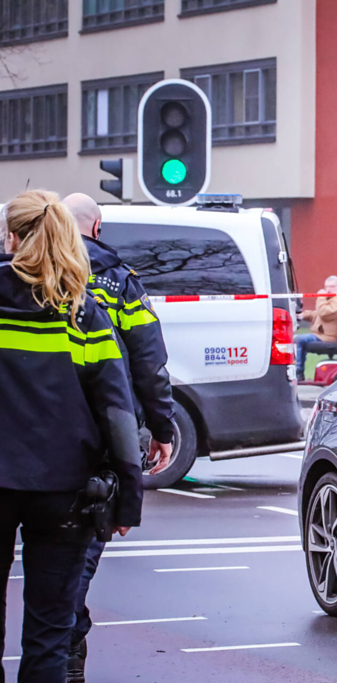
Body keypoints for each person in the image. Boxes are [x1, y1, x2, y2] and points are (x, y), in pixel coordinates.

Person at [0, 190, 143, 683]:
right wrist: (128, 498)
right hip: (65, 490)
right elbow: (116, 408)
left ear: (11, 238)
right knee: (49, 634)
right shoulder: (80, 312)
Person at [62, 193, 174, 683]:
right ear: (98, 228)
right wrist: (162, 426)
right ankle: (66, 656)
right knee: (77, 556)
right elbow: (149, 359)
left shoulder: (30, 274)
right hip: (104, 434)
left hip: (37, 432)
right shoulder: (120, 280)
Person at [295, 276, 337, 380]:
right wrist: (304, 315)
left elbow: (323, 313)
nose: (328, 289)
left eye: (331, 286)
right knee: (298, 340)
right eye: (326, 287)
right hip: (321, 335)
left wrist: (321, 296)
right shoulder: (332, 299)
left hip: (328, 337)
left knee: (297, 340)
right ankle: (299, 372)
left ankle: (298, 373)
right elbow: (318, 314)